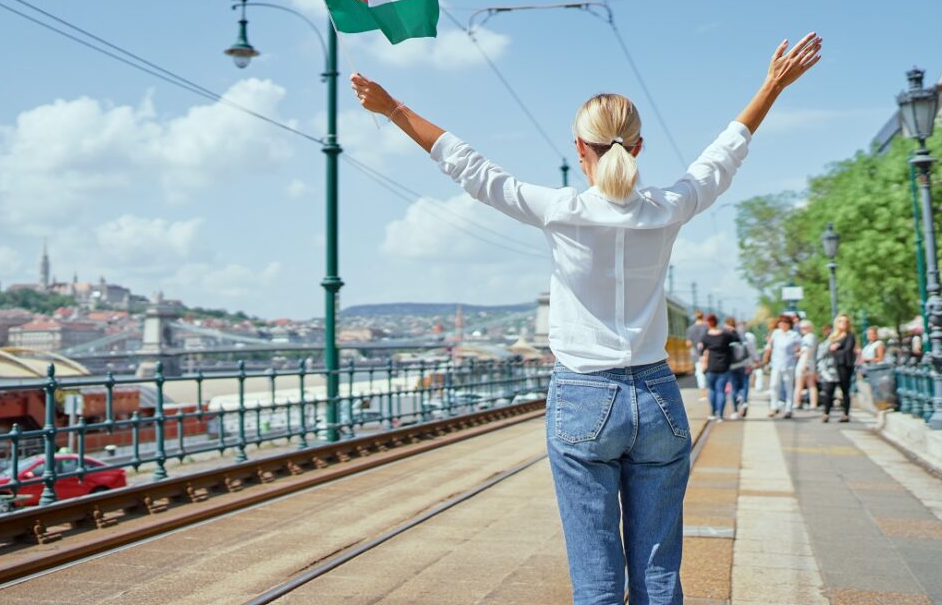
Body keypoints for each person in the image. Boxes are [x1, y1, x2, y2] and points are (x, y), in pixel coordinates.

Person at [350, 33, 822, 604]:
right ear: (639, 146)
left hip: (582, 396)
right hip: (656, 396)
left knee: (597, 581)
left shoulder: (561, 211)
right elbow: (724, 155)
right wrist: (772, 85)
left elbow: (469, 167)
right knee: (658, 575)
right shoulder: (667, 210)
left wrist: (394, 109)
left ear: (580, 148)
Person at [817, 314, 857, 422]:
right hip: (831, 367)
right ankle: (826, 413)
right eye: (840, 321)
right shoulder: (832, 336)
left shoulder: (850, 335)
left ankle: (846, 414)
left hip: (843, 366)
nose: (843, 324)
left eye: (845, 321)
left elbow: (847, 350)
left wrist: (835, 349)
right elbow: (824, 350)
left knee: (845, 390)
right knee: (828, 390)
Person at [699, 314, 737, 421]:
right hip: (724, 366)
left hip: (711, 366)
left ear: (708, 323)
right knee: (721, 390)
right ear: (717, 322)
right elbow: (738, 339)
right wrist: (732, 330)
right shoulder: (725, 335)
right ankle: (720, 415)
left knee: (711, 389)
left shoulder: (705, 337)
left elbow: (701, 352)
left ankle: (712, 412)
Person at [764, 315, 801, 418]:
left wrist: (798, 354)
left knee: (788, 387)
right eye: (781, 323)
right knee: (774, 385)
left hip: (788, 364)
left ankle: (789, 408)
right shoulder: (776, 333)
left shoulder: (794, 335)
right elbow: (770, 346)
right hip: (776, 363)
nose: (783, 325)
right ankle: (774, 406)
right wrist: (766, 359)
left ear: (789, 325)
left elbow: (800, 347)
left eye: (785, 323)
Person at [726, 316, 752, 419]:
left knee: (733, 386)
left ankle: (736, 411)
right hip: (743, 363)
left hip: (731, 365)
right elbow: (749, 349)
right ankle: (744, 400)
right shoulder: (742, 335)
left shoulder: (725, 335)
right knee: (744, 384)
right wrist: (751, 362)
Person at [793, 320, 819, 410]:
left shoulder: (808, 337)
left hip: (804, 362)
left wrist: (804, 364)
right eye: (801, 328)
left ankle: (797, 402)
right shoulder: (812, 337)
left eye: (805, 328)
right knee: (811, 384)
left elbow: (806, 351)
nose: (803, 329)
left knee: (800, 384)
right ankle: (813, 403)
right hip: (811, 362)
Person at [686, 310, 709, 393]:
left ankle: (702, 389)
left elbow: (688, 343)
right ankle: (710, 387)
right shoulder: (707, 327)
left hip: (696, 353)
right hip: (708, 353)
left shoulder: (690, 329)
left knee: (699, 371)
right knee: (709, 370)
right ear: (703, 316)